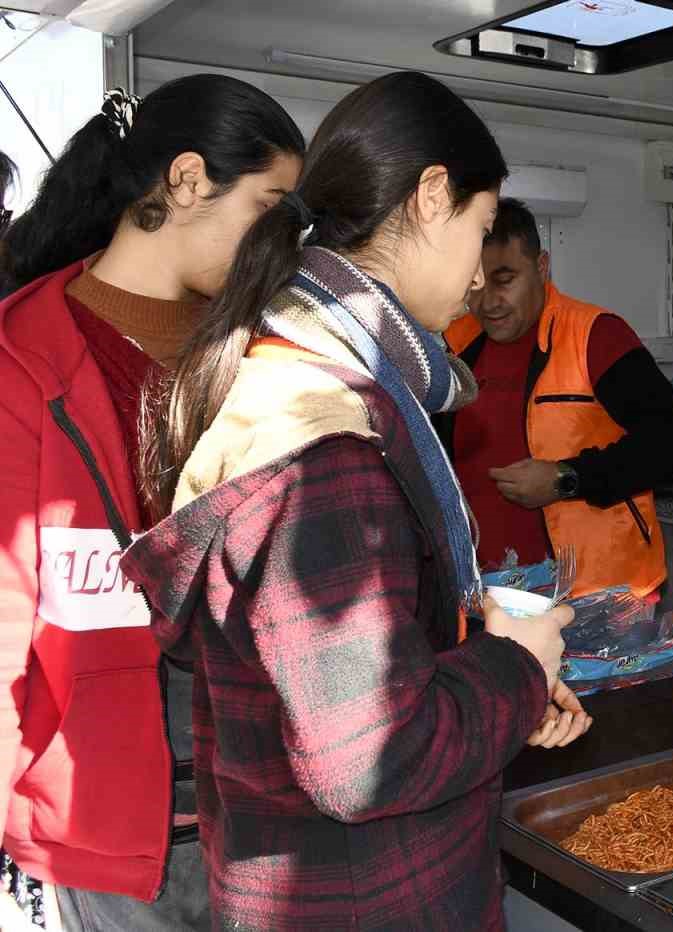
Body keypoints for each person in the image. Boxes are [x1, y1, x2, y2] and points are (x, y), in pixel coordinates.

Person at [120, 72, 590, 930]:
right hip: (365, 895)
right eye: (482, 232)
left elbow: (349, 679)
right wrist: (519, 667)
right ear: (433, 196)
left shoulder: (288, 373)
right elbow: (372, 758)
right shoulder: (327, 444)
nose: (482, 278)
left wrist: (500, 678)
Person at [0, 78, 305, 930]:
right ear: (184, 181)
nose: (274, 239)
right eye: (266, 204)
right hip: (115, 794)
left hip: (264, 772)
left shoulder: (255, 346)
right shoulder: (28, 357)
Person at [440, 198, 673, 598]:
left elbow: (672, 443)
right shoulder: (458, 345)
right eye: (476, 282)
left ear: (541, 268)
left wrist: (567, 479)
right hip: (491, 594)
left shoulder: (597, 336)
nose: (488, 301)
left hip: (597, 595)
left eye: (504, 279)